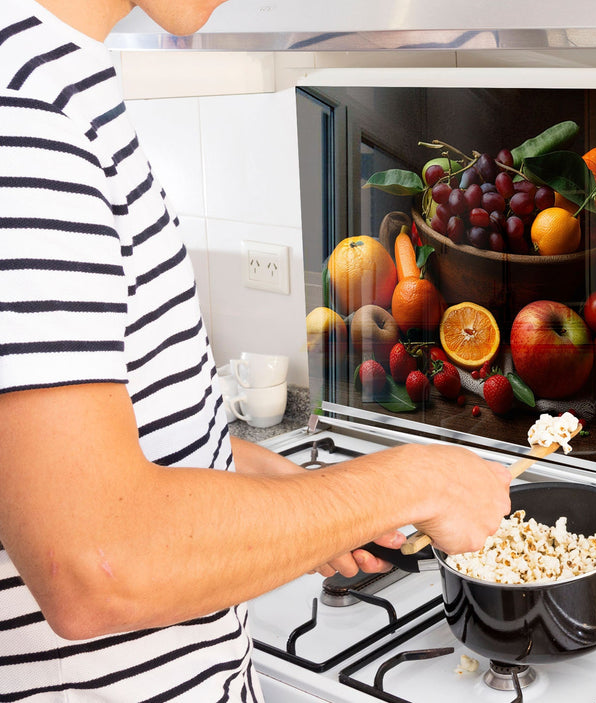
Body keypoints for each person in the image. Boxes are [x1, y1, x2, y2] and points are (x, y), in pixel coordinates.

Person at [0, 0, 512, 699]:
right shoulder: (24, 116)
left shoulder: (55, 80)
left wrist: (301, 500)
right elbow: (95, 562)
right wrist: (417, 479)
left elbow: (96, 449)